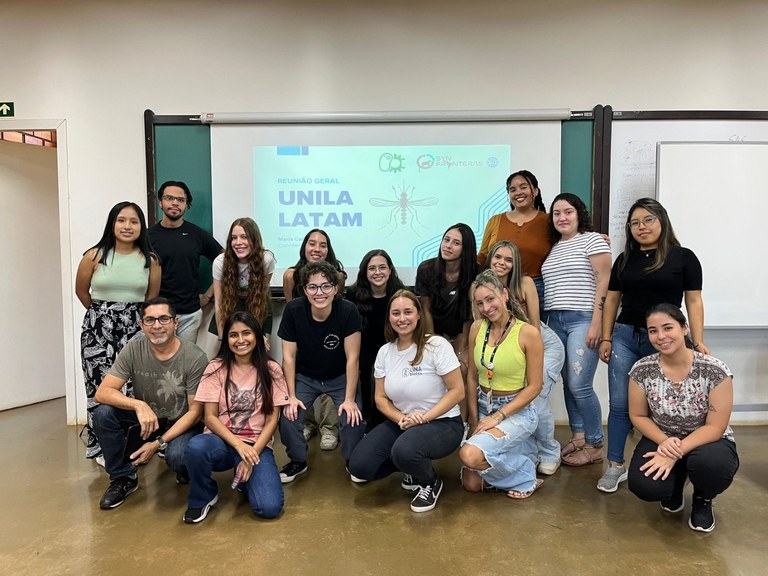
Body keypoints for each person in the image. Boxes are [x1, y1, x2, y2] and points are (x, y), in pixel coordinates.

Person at [598, 198, 708, 493]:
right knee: (620, 405)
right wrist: (607, 337)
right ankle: (615, 465)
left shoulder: (683, 257)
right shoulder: (624, 260)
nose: (641, 227)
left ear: (662, 221)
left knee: (667, 407)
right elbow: (612, 300)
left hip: (664, 341)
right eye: (635, 223)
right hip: (624, 337)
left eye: (648, 220)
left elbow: (694, 300)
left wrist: (697, 340)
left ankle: (671, 460)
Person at [347, 290, 464, 512]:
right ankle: (411, 467)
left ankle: (429, 481)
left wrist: (424, 418)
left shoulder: (436, 345)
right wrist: (401, 418)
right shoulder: (385, 352)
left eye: (408, 312)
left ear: (418, 314)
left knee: (405, 450)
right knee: (359, 465)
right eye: (396, 313)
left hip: (442, 422)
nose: (402, 318)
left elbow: (457, 391)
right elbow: (380, 398)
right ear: (389, 318)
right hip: (402, 422)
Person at [627, 304, 738, 533]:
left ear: (685, 328)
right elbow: (637, 415)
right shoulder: (641, 369)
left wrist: (674, 452)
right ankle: (674, 489)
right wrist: (664, 442)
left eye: (668, 328)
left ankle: (703, 498)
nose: (661, 336)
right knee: (644, 484)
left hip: (708, 439)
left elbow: (715, 427)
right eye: (653, 331)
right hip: (663, 436)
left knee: (712, 466)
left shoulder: (715, 370)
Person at [92, 297, 208, 510]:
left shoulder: (194, 357)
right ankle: (123, 478)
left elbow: (196, 412)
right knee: (103, 414)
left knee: (178, 457)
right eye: (150, 320)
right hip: (148, 421)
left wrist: (158, 444)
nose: (157, 325)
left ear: (175, 322)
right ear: (141, 325)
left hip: (182, 422)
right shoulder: (134, 349)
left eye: (164, 319)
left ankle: (184, 468)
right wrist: (139, 405)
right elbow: (102, 393)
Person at [75, 201, 161, 463]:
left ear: (141, 227)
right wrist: (104, 316)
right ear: (112, 224)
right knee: (99, 388)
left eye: (134, 221)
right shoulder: (93, 256)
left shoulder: (151, 260)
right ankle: (103, 448)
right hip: (98, 330)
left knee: (135, 387)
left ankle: (134, 446)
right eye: (121, 220)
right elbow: (82, 292)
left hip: (135, 329)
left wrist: (129, 319)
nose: (127, 226)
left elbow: (151, 299)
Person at [184, 312, 290, 523]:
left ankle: (244, 481)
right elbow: (210, 417)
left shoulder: (272, 370)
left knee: (269, 508)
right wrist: (239, 446)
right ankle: (202, 496)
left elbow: (272, 420)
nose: (240, 340)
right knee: (196, 446)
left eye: (246, 333)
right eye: (233, 335)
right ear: (227, 339)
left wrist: (251, 455)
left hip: (256, 445)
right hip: (221, 441)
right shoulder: (215, 368)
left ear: (257, 335)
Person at [277, 260, 366, 483]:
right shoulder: (293, 310)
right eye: (312, 287)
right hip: (305, 377)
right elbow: (288, 357)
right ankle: (298, 461)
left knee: (352, 415)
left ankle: (353, 461)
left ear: (335, 288)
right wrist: (291, 396)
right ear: (304, 290)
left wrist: (349, 400)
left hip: (339, 376)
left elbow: (353, 358)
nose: (319, 293)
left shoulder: (348, 311)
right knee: (289, 415)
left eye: (326, 286)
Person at [459, 270, 544, 499]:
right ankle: (523, 454)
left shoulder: (528, 333)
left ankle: (526, 473)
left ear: (504, 294)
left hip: (515, 410)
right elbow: (472, 377)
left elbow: (535, 386)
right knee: (472, 483)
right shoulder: (477, 328)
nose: (486, 308)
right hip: (483, 404)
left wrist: (497, 417)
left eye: (490, 299)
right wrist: (474, 420)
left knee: (469, 455)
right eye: (480, 303)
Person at [541, 193, 611, 469]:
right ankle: (579, 436)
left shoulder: (592, 240)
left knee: (580, 384)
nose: (562, 217)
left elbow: (604, 281)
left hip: (582, 319)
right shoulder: (554, 247)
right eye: (557, 213)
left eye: (568, 212)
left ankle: (595, 444)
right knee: (569, 383)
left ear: (579, 214)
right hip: (555, 321)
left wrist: (597, 323)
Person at [485, 240, 565, 475]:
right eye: (498, 257)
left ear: (515, 264)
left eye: (508, 259)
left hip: (542, 344)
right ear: (490, 258)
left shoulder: (525, 283)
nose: (502, 263)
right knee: (516, 400)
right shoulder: (481, 286)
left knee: (534, 397)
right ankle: (530, 453)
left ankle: (550, 452)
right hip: (511, 348)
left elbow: (535, 327)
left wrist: (527, 363)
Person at [283, 229, 344, 450]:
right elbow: (291, 307)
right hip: (302, 337)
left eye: (323, 245)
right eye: (312, 243)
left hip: (329, 336)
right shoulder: (291, 275)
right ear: (304, 246)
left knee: (330, 375)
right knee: (301, 381)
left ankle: (329, 427)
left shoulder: (337, 275)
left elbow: (335, 305)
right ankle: (308, 423)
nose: (317, 249)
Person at [414, 223, 479, 416]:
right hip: (434, 330)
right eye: (446, 240)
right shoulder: (426, 269)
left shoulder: (476, 272)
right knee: (434, 369)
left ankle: (464, 423)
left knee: (462, 369)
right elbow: (425, 310)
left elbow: (470, 315)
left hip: (462, 329)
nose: (448, 246)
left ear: (466, 249)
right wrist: (432, 342)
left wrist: (463, 348)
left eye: (456, 243)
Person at [148, 180, 223, 343]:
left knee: (185, 358)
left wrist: (208, 295)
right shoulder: (147, 237)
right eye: (169, 198)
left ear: (187, 205)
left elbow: (226, 261)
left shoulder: (197, 235)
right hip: (158, 314)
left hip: (189, 314)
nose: (175, 203)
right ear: (160, 202)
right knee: (159, 357)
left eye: (181, 200)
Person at [345, 249, 404, 429]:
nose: (377, 272)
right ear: (365, 272)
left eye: (382, 267)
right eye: (372, 268)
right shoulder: (353, 294)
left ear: (390, 270)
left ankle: (386, 421)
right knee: (363, 372)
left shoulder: (399, 294)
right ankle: (365, 422)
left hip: (393, 347)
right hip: (362, 347)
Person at [477, 170, 550, 312]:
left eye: (523, 187)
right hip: (496, 287)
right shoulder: (495, 220)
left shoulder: (548, 222)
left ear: (535, 191)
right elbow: (483, 255)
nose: (518, 192)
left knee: (531, 326)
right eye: (512, 189)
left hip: (534, 290)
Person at [212, 217, 275, 344]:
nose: (238, 242)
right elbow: (219, 302)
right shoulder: (220, 262)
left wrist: (258, 335)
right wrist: (222, 336)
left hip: (257, 306)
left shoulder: (266, 260)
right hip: (230, 306)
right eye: (234, 238)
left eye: (244, 237)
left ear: (254, 239)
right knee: (230, 348)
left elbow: (260, 297)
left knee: (260, 347)